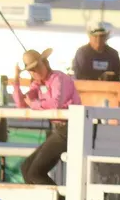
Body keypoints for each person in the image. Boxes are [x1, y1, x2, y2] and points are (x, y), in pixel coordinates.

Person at [12, 48, 82, 186]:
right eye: (31, 70)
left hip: (70, 128)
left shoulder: (59, 78)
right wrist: (16, 81)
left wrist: (34, 104)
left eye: (37, 67)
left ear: (45, 63)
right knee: (26, 168)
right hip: (62, 130)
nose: (35, 72)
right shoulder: (38, 85)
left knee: (34, 172)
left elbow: (56, 103)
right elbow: (21, 104)